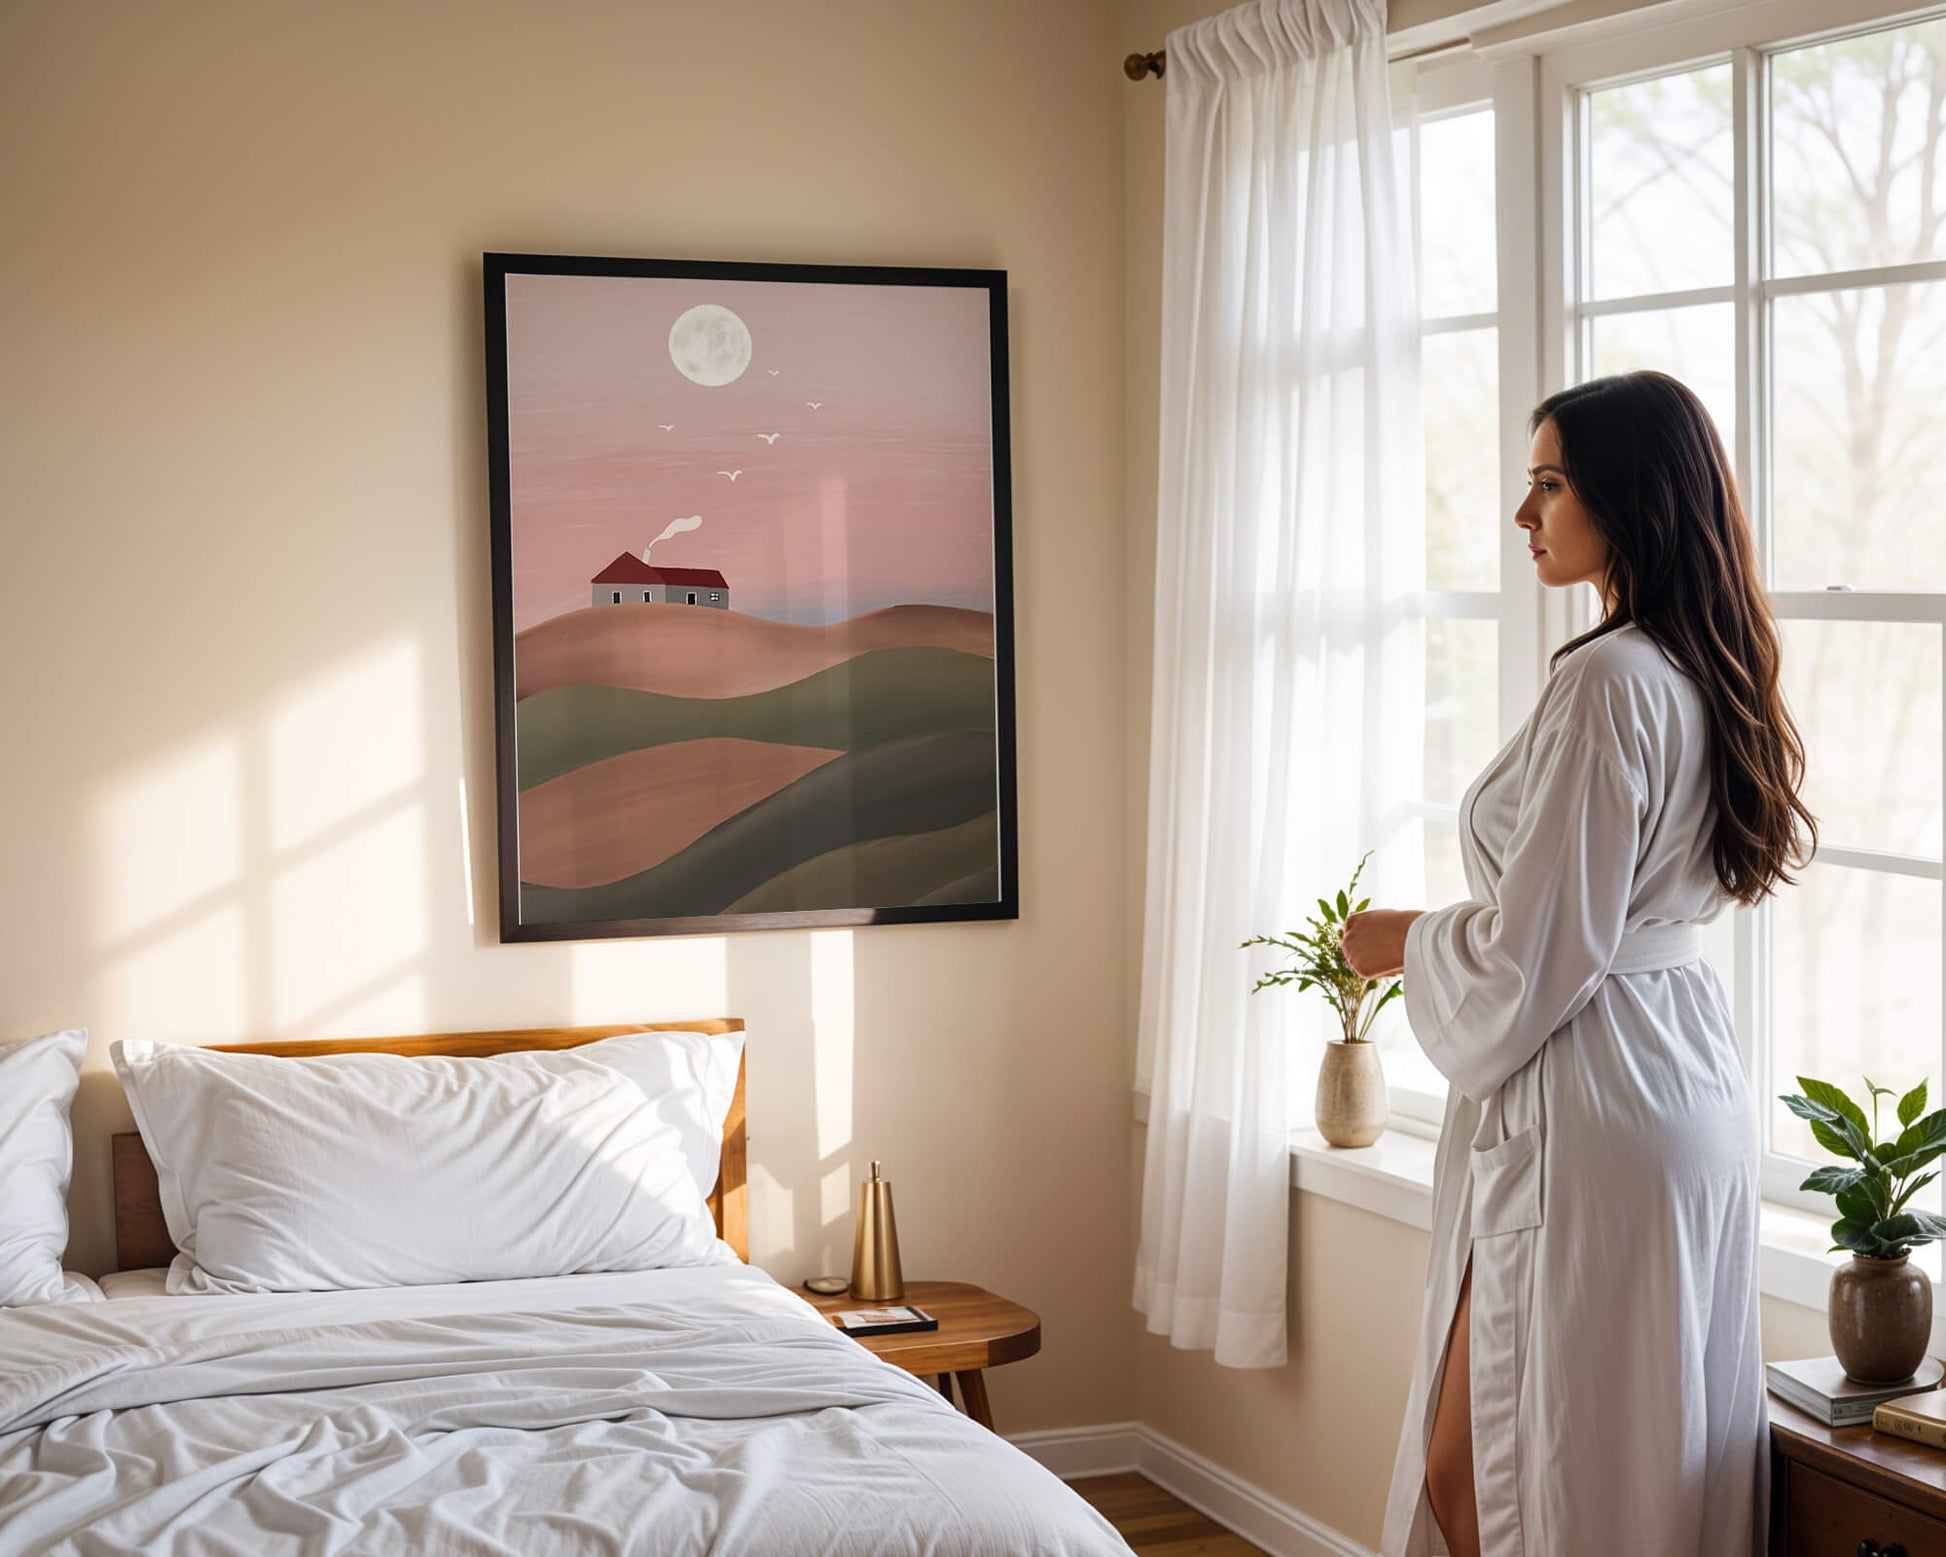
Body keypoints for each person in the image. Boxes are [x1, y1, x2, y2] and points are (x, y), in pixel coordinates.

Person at [1340, 371, 1815, 1557]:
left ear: (1627, 495)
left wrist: (1403, 940)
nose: (1523, 515)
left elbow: (1539, 954)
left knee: (1495, 1469)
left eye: (1548, 485)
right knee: (1633, 1457)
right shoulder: (1710, 666)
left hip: (1589, 1103)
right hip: (1684, 1084)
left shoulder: (1605, 681)